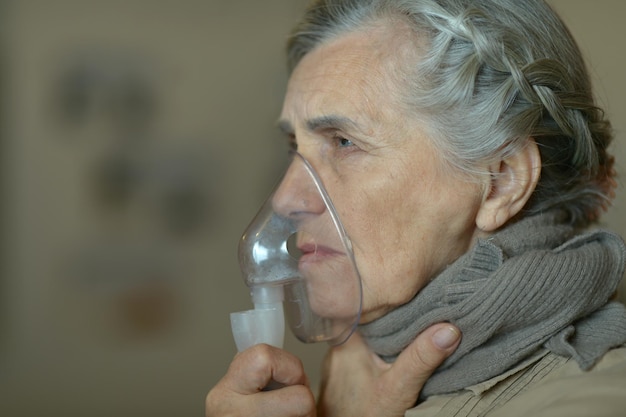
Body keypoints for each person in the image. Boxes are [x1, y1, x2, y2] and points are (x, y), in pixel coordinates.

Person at [206, 0, 626, 415]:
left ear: (501, 182)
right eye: (294, 147)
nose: (285, 199)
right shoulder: (348, 393)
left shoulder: (592, 401)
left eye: (343, 142)